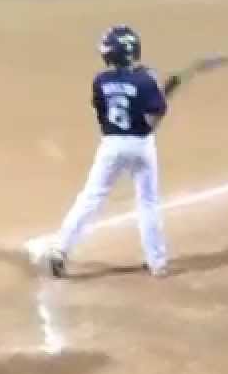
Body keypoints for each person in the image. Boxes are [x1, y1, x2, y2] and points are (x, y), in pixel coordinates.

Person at [46, 26, 169, 278]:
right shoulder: (146, 80)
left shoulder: (100, 81)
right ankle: (157, 262)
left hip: (112, 144)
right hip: (142, 146)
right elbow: (155, 114)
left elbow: (103, 112)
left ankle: (61, 249)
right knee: (148, 202)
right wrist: (151, 92)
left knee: (90, 197)